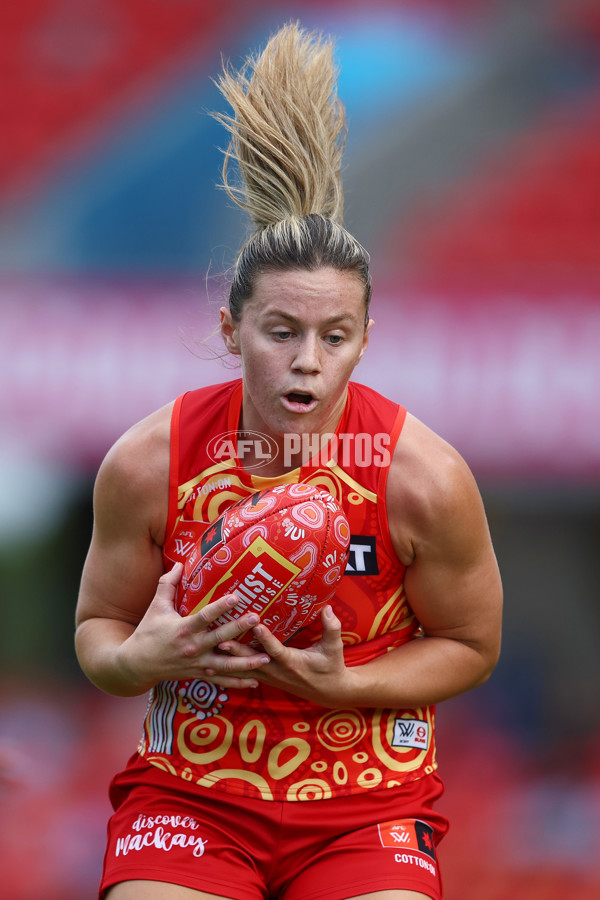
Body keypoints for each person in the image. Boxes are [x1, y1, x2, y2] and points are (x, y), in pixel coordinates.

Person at [75, 22, 502, 900]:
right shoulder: (148, 461)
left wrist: (352, 688)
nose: (308, 360)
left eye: (334, 336)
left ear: (364, 342)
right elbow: (98, 640)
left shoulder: (424, 477)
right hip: (191, 799)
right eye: (281, 332)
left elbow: (470, 644)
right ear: (232, 331)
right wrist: (143, 659)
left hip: (367, 806)